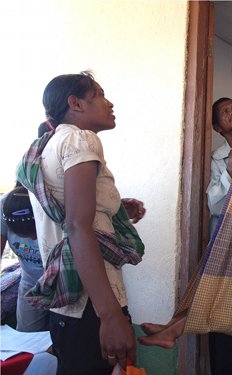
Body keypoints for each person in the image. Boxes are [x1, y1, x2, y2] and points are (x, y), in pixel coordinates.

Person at [17, 71, 146, 375]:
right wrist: (111, 316)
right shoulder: (80, 138)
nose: (109, 102)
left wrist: (114, 210)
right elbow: (77, 226)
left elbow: (67, 213)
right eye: (100, 95)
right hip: (92, 304)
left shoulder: (44, 147)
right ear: (75, 103)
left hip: (66, 304)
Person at [138, 98, 232, 375]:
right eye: (224, 111)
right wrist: (230, 170)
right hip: (230, 244)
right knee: (221, 306)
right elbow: (214, 206)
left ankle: (174, 328)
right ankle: (174, 328)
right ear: (216, 127)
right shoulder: (218, 159)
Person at [1, 184, 49, 332]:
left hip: (64, 280)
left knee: (66, 338)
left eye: (34, 232)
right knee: (26, 337)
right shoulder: (4, 207)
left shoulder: (52, 208)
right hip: (31, 282)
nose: (33, 238)